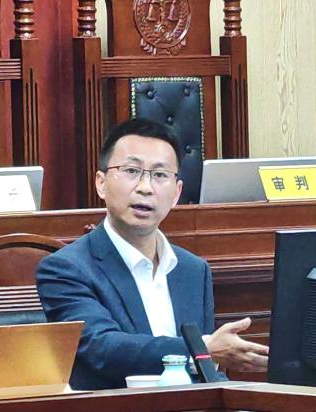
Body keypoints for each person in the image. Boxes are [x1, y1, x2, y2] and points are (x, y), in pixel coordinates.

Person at [36, 118, 268, 390]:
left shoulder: (192, 270)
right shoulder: (65, 269)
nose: (145, 187)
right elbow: (103, 348)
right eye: (131, 171)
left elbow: (204, 376)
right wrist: (202, 349)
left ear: (177, 193)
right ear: (101, 183)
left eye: (160, 175)